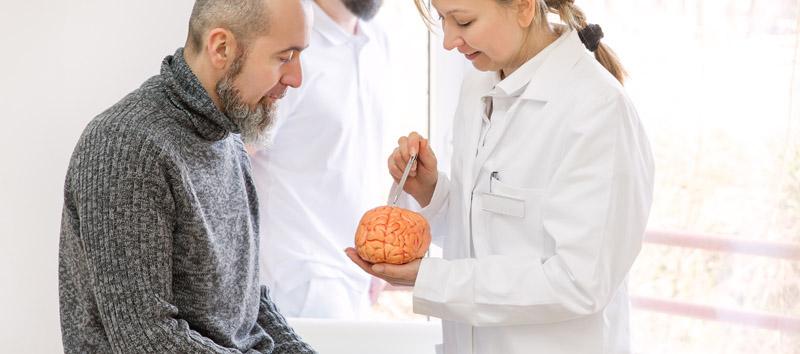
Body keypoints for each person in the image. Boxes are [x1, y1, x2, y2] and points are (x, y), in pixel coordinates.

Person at [346, 0, 655, 353]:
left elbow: (579, 282)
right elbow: (490, 231)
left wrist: (431, 279)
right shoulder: (479, 82)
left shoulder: (597, 110)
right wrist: (432, 191)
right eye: (442, 19)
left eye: (463, 21)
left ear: (524, 7)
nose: (448, 41)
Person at [58, 1, 317, 352]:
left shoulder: (228, 137)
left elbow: (247, 304)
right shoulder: (126, 144)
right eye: (285, 57)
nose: (296, 79)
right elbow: (147, 339)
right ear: (222, 47)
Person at [248, 0, 390, 318]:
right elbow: (231, 158)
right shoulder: (286, 43)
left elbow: (360, 157)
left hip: (357, 279)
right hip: (295, 280)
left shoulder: (377, 40)